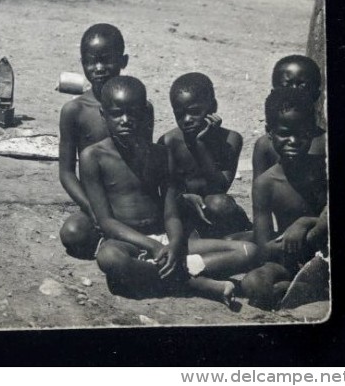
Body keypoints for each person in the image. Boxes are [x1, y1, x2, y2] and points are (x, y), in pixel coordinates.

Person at [80, 77, 257, 307]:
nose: (125, 120)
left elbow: (171, 213)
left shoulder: (161, 154)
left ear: (144, 112)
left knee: (248, 251)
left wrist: (173, 244)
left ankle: (156, 276)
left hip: (165, 238)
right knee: (110, 258)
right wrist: (152, 246)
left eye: (132, 113)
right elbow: (106, 221)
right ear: (104, 114)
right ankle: (194, 284)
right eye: (116, 114)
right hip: (128, 243)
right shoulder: (92, 157)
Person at [239, 88, 328, 310]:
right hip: (290, 259)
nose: (294, 140)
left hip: (326, 249)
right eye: (285, 133)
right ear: (270, 132)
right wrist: (287, 243)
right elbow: (263, 247)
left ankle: (303, 288)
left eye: (303, 134)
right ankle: (300, 287)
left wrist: (305, 223)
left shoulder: (323, 170)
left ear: (313, 133)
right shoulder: (266, 184)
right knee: (253, 282)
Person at [58, 23, 130, 258]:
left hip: (129, 199)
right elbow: (67, 173)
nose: (99, 68)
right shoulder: (75, 110)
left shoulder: (138, 107)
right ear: (82, 64)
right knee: (72, 233)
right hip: (94, 201)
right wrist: (92, 209)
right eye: (91, 61)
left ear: (123, 61)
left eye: (106, 60)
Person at [159, 73, 251, 237]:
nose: (187, 120)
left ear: (212, 107)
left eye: (194, 112)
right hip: (183, 208)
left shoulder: (230, 139)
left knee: (221, 204)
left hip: (214, 208)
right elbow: (163, 189)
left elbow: (221, 186)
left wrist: (199, 145)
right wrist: (185, 198)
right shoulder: (169, 142)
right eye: (180, 114)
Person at [251, 55, 326, 182]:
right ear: (273, 92)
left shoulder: (324, 142)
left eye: (303, 86)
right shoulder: (265, 145)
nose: (295, 92)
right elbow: (259, 192)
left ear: (317, 94)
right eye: (287, 85)